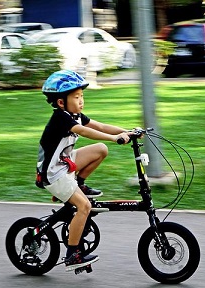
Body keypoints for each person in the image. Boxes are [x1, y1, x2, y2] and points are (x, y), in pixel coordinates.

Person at [36, 69, 132, 271]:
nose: (81, 101)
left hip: (66, 163)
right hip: (54, 173)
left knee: (101, 150)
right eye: (76, 97)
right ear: (61, 102)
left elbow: (101, 126)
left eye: (82, 96)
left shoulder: (75, 115)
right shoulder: (61, 118)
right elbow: (85, 132)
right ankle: (73, 254)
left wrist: (127, 131)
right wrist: (115, 138)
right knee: (84, 207)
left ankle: (79, 184)